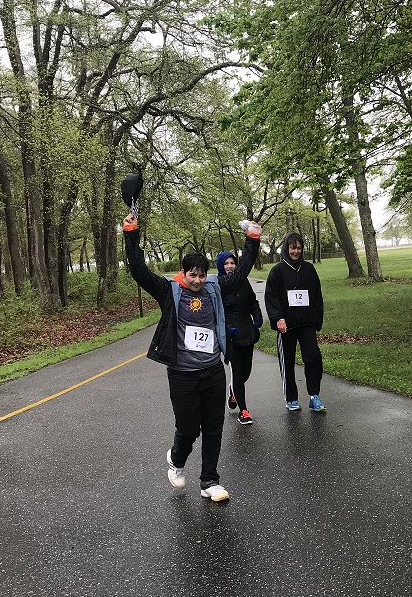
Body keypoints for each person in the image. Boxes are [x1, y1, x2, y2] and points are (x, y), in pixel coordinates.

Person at [121, 177, 261, 501]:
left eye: (201, 274)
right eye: (192, 274)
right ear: (183, 273)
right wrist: (131, 232)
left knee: (213, 427)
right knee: (189, 429)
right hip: (182, 374)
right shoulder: (169, 290)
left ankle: (210, 481)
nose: (197, 280)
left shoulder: (214, 287)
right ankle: (176, 458)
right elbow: (139, 270)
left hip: (212, 370)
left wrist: (252, 240)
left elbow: (240, 272)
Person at [264, 230, 326, 413]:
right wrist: (278, 318)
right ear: (286, 248)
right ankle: (291, 398)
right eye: (292, 248)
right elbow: (271, 296)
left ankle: (314, 396)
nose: (296, 251)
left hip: (306, 323)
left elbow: (316, 295)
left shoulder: (309, 269)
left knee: (313, 358)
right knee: (288, 362)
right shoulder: (278, 271)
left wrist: (317, 319)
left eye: (299, 248)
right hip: (286, 325)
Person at [215, 244, 264, 426]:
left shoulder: (243, 281)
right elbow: (217, 312)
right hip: (231, 337)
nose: (230, 266)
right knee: (237, 373)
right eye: (226, 263)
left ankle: (233, 391)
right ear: (221, 266)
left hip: (247, 332)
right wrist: (227, 329)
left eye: (232, 263)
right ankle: (243, 411)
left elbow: (253, 302)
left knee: (246, 372)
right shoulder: (218, 285)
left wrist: (257, 318)